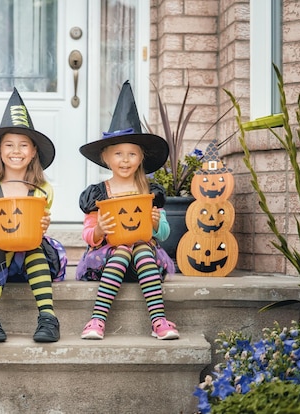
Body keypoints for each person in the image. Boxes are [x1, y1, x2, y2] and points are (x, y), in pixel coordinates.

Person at [0, 88, 67, 343]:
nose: (16, 150)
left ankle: (48, 317)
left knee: (33, 243)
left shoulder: (42, 190)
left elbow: (37, 226)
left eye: (23, 145)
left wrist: (43, 225)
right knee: (1, 240)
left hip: (31, 257)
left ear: (33, 153)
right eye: (9, 144)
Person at [77, 81, 179, 340]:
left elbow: (164, 235)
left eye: (132, 154)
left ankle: (158, 320)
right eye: (118, 154)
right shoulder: (99, 193)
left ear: (141, 158)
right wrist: (99, 229)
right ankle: (97, 320)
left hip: (145, 265)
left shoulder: (150, 192)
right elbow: (88, 233)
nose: (125, 160)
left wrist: (156, 224)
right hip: (107, 261)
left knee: (143, 246)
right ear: (106, 158)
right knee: (123, 248)